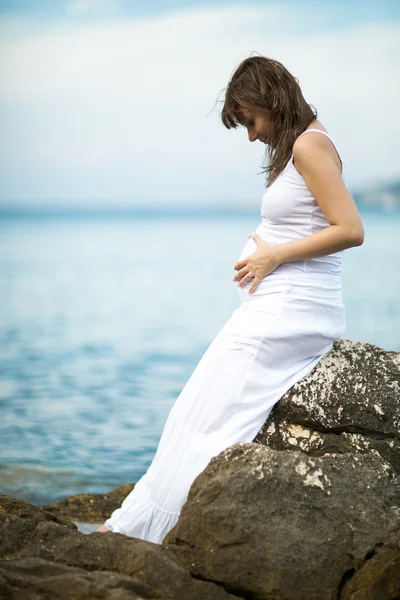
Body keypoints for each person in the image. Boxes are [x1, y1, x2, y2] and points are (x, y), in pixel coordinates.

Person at [95, 55, 364, 542]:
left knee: (209, 416)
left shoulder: (309, 147)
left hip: (294, 311)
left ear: (273, 100)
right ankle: (139, 524)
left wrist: (272, 257)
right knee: (194, 410)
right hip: (280, 306)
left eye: (251, 121)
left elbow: (351, 229)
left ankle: (150, 531)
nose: (252, 135)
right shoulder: (301, 145)